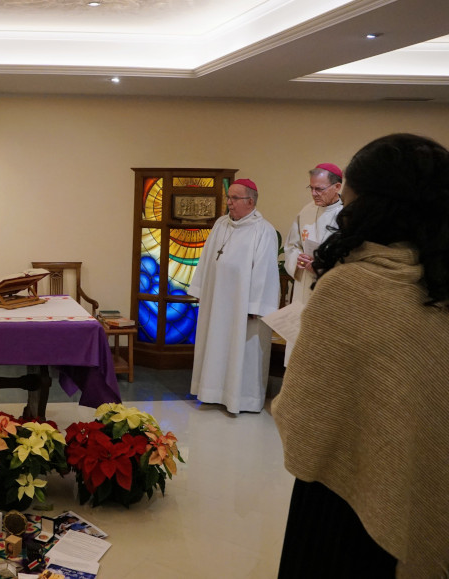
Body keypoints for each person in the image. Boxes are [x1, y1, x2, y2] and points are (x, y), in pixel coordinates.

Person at [273, 134, 449, 577]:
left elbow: (303, 420)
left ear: (366, 204)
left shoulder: (350, 288)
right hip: (427, 488)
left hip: (340, 502)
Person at [189, 179, 280, 413]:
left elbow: (265, 272)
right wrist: (201, 291)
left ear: (250, 201)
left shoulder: (263, 230)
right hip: (216, 299)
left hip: (243, 306)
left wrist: (254, 306)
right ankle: (211, 392)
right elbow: (207, 259)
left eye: (234, 198)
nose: (229, 203)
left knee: (243, 350)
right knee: (215, 344)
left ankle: (243, 398)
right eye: (228, 197)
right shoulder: (221, 224)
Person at [281, 163, 343, 365]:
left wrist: (322, 264)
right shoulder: (305, 212)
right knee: (299, 349)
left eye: (320, 189)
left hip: (328, 291)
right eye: (311, 188)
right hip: (303, 288)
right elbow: (291, 246)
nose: (314, 194)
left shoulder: (347, 216)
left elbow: (352, 257)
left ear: (337, 187)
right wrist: (297, 259)